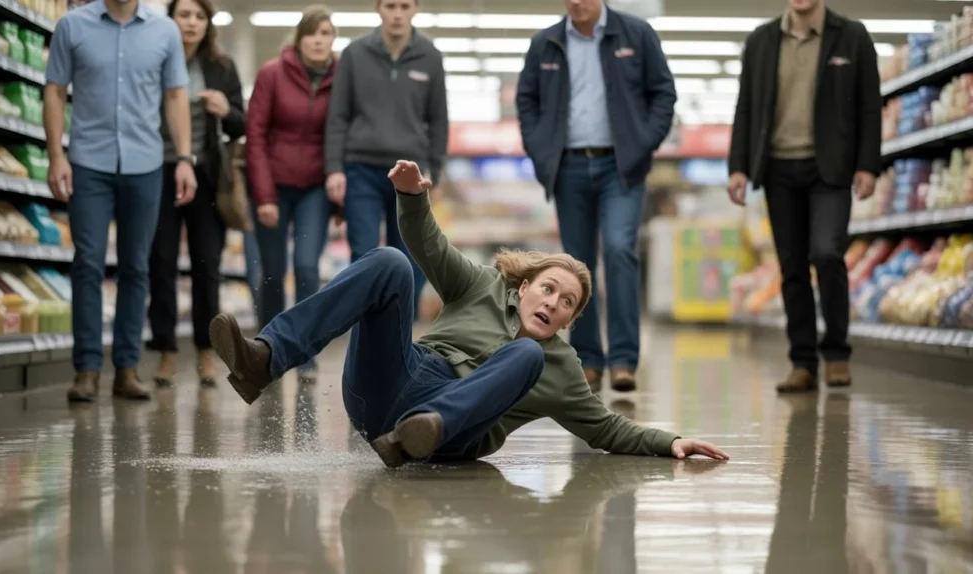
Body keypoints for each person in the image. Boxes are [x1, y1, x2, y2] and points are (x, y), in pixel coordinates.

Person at [208, 160, 729, 468]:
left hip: (448, 434)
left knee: (526, 355)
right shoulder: (481, 285)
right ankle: (265, 359)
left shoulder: (560, 366)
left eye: (566, 303)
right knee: (391, 261)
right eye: (548, 289)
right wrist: (411, 198)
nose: (552, 303)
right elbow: (428, 245)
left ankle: (422, 430)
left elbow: (608, 429)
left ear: (570, 321)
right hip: (396, 380)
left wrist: (672, 442)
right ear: (524, 286)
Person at [515, 0, 677, 394]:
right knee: (576, 266)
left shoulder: (636, 35)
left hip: (619, 166)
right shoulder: (546, 43)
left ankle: (623, 360)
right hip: (568, 167)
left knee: (621, 250)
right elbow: (527, 100)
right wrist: (542, 151)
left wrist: (641, 144)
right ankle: (588, 360)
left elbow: (663, 94)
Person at [45, 0, 196, 402]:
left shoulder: (165, 31)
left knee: (136, 266)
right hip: (87, 161)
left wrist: (184, 159)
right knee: (88, 262)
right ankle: (87, 369)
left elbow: (176, 96)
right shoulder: (72, 26)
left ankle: (126, 369)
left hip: (145, 163)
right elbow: (55, 90)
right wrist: (56, 155)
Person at [727, 0, 880, 393]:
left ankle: (837, 354)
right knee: (791, 267)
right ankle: (803, 363)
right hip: (778, 169)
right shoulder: (761, 41)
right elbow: (745, 106)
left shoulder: (852, 36)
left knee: (827, 252)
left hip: (830, 168)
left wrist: (868, 164)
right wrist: (738, 166)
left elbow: (868, 105)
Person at [323, 0, 448, 318]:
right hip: (360, 168)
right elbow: (338, 116)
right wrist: (334, 169)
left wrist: (437, 170)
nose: (397, 13)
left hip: (410, 172)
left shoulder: (430, 56)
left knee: (411, 257)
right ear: (378, 8)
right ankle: (368, 328)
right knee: (364, 255)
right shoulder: (354, 53)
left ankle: (398, 327)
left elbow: (438, 119)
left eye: (404, 6)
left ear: (416, 8)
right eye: (390, 5)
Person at [147, 0, 245, 389]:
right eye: (184, 15)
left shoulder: (221, 67)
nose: (191, 23)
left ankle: (206, 351)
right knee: (161, 260)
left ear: (209, 24)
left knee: (208, 263)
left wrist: (227, 110)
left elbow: (241, 123)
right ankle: (167, 351)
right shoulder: (154, 58)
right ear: (170, 19)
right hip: (157, 171)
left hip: (206, 174)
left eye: (199, 17)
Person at [245, 4, 338, 385]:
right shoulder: (272, 74)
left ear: (333, 40)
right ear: (299, 40)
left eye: (326, 33)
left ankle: (303, 352)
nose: (319, 40)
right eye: (312, 34)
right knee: (271, 271)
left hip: (316, 187)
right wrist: (264, 195)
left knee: (306, 267)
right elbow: (255, 136)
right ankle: (268, 349)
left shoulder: (342, 78)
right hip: (274, 186)